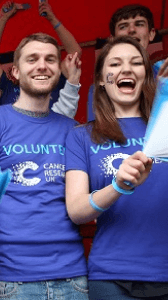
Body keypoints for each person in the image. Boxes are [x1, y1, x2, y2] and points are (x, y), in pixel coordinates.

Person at [0, 32, 88, 300]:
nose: (42, 65)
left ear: (58, 68)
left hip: (72, 276)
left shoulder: (74, 130)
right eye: (32, 59)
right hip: (9, 279)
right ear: (15, 71)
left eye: (50, 59)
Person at [65, 36, 168, 299]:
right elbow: (77, 211)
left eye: (136, 63)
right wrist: (118, 186)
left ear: (146, 75)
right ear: (101, 79)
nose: (126, 69)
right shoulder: (81, 136)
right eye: (115, 64)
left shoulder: (165, 129)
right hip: (112, 277)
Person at [0, 0, 82, 108]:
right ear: (16, 70)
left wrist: (53, 19)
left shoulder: (56, 84)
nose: (40, 66)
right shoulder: (7, 89)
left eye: (48, 60)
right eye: (31, 60)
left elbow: (75, 53)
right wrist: (2, 19)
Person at [88, 4, 168, 121]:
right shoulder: (103, 85)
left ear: (151, 34)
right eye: (123, 26)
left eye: (139, 24)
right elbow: (96, 133)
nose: (131, 30)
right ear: (112, 39)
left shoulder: (165, 71)